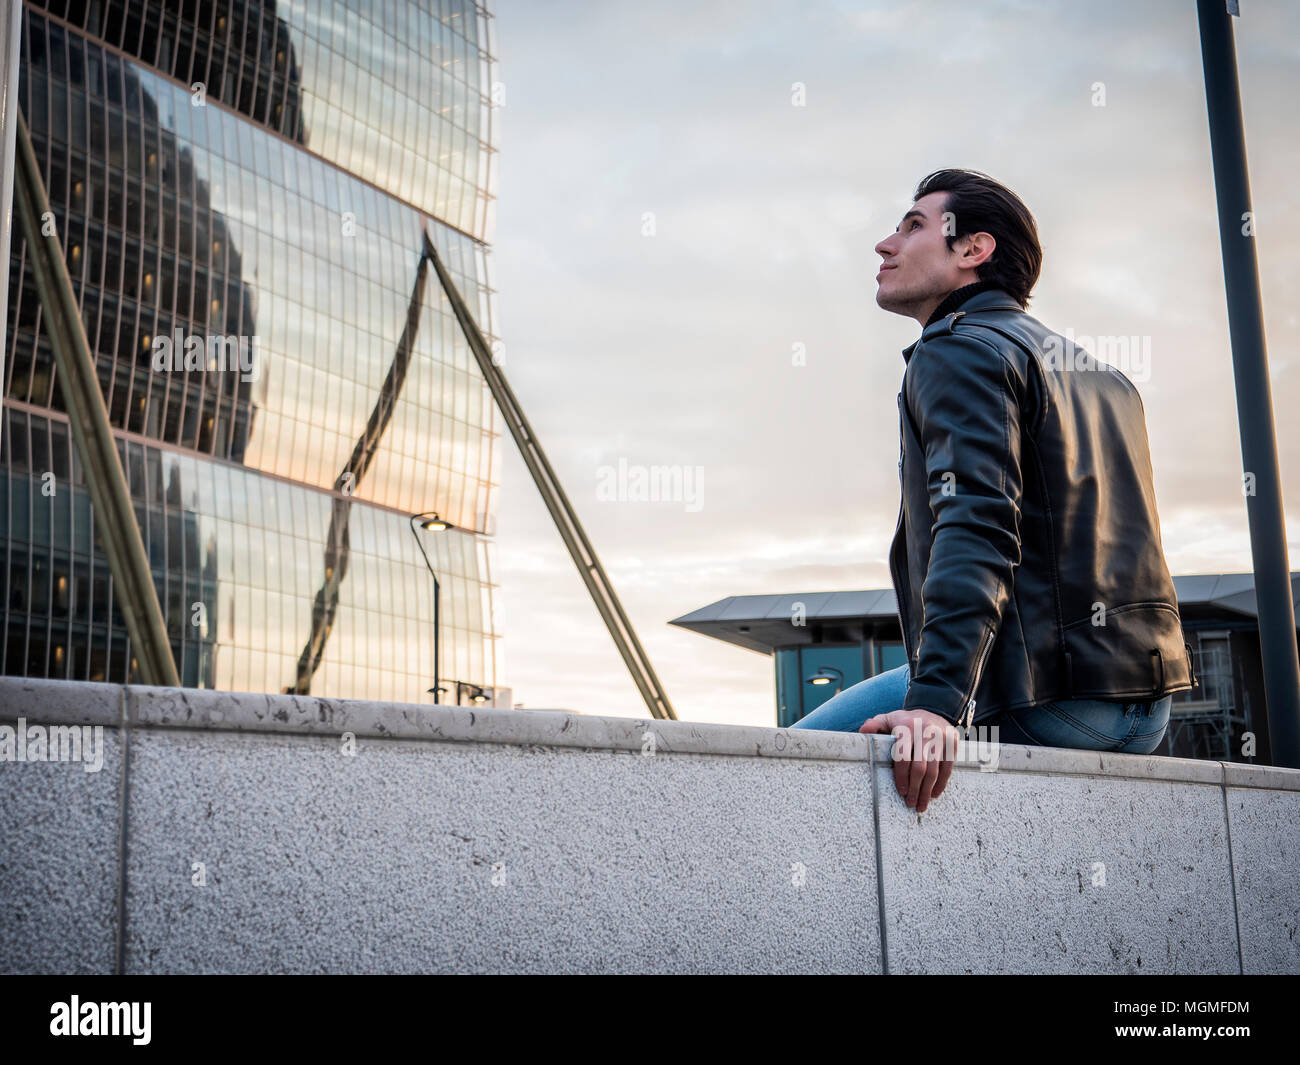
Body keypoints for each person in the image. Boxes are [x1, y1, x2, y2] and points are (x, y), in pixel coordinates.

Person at [791, 169, 1195, 814]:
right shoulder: (1104, 375)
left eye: (914, 225)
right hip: (1144, 707)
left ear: (974, 250)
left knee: (778, 771)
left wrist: (934, 706)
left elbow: (976, 526)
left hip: (1045, 699)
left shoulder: (958, 349)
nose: (885, 244)